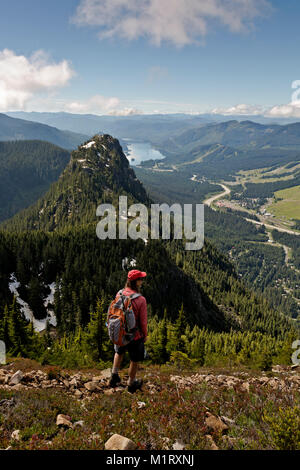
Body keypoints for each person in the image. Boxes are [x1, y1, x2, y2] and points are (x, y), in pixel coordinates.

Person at [109, 269, 148, 393]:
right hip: (134, 335)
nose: (142, 281)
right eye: (140, 279)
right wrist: (145, 335)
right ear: (136, 282)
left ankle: (114, 376)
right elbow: (143, 321)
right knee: (134, 359)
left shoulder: (119, 293)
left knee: (119, 352)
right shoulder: (141, 300)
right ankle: (131, 384)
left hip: (120, 332)